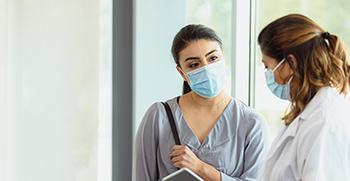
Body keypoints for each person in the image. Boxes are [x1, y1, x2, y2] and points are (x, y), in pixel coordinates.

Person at [132, 24, 270, 181]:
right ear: (182, 72)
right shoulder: (158, 116)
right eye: (194, 65)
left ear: (223, 57)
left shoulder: (251, 122)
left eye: (212, 58)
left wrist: (199, 168)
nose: (207, 68)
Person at [257, 14, 350, 180]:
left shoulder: (326, 121)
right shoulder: (305, 112)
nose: (268, 74)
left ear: (290, 63)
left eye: (267, 66)